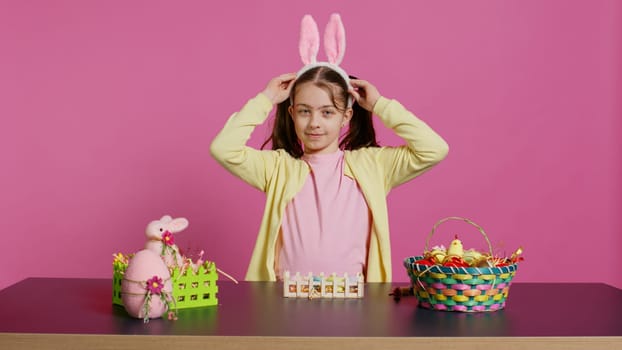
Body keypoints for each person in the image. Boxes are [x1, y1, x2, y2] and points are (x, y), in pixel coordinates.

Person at [210, 66, 449, 282]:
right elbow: (224, 149)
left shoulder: (373, 166)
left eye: (327, 112)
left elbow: (433, 149)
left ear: (346, 116)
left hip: (355, 305)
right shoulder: (278, 168)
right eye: (305, 111)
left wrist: (380, 105)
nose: (314, 122)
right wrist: (266, 99)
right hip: (285, 302)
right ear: (292, 114)